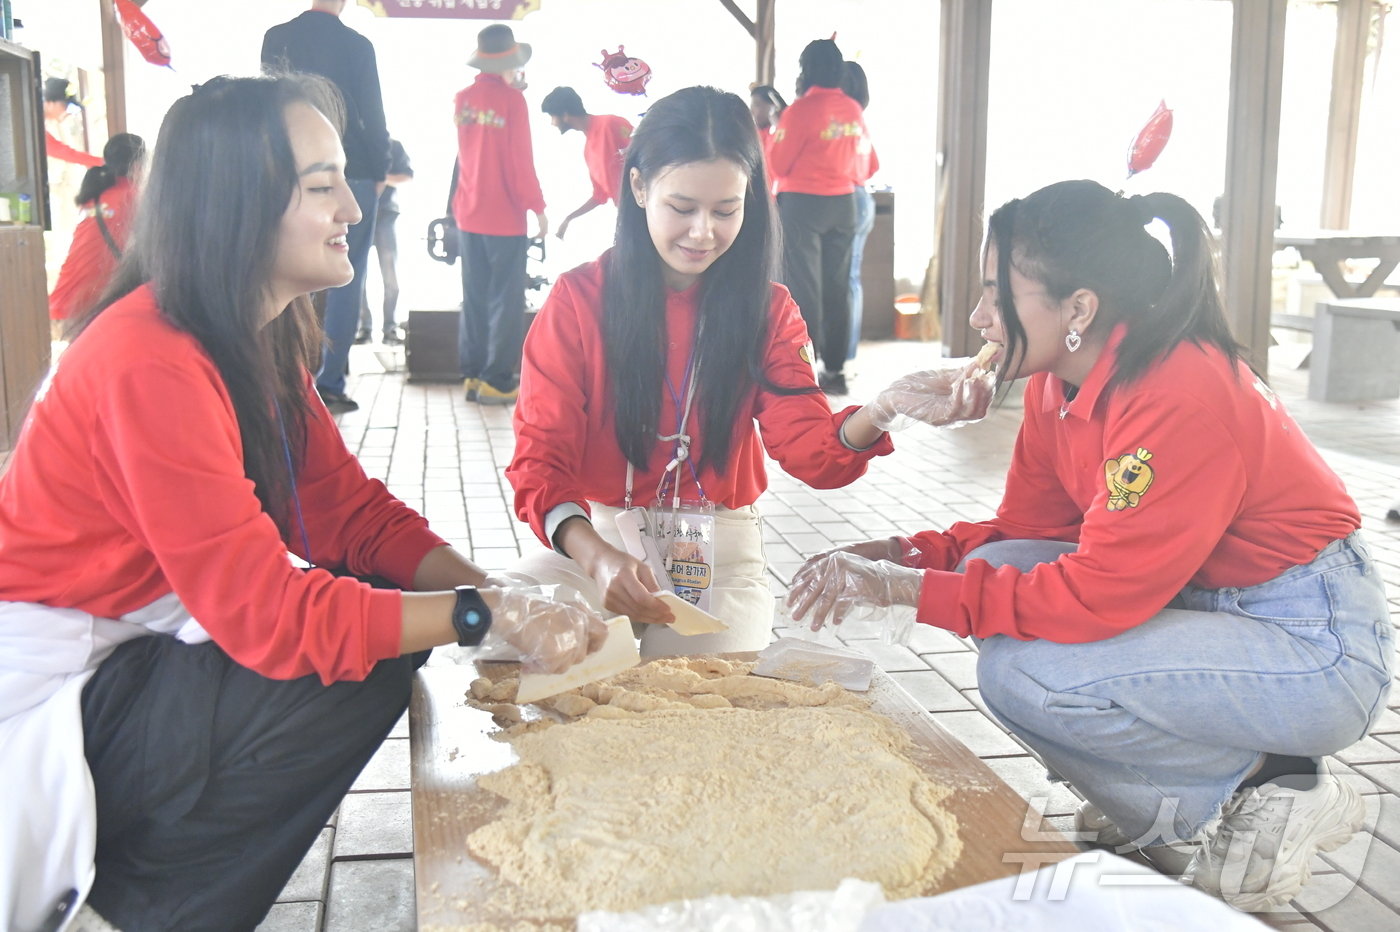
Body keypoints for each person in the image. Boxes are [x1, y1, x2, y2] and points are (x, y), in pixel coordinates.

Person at [0, 73, 606, 932]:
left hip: (139, 644)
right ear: (237, 204)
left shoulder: (255, 332)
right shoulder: (147, 357)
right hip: (60, 687)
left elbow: (346, 511)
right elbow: (269, 617)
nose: (353, 210)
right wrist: (477, 613)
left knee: (380, 623)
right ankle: (132, 911)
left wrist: (502, 604)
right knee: (348, 654)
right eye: (322, 186)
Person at [787, 179, 1393, 912]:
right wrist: (904, 555)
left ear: (1078, 309)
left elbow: (1098, 594)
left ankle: (1276, 784)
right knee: (994, 573)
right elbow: (1028, 537)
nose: (979, 318)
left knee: (1029, 676)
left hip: (1310, 644)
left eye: (992, 293)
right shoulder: (1059, 384)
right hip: (1206, 606)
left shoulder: (1178, 394)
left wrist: (902, 592)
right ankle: (1162, 813)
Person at [505, 85, 994, 659]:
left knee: (703, 688)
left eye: (726, 210)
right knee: (516, 628)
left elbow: (812, 453)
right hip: (598, 538)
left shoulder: (770, 311)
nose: (702, 232)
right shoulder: (578, 300)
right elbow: (539, 461)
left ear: (751, 201)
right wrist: (597, 555)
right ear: (638, 187)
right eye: (682, 208)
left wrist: (884, 408)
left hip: (718, 548)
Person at [262, 0, 392, 413]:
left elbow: (266, 111)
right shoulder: (357, 46)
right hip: (350, 172)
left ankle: (282, 380)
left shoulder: (276, 37)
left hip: (288, 173)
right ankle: (330, 384)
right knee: (345, 278)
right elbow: (373, 114)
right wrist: (379, 173)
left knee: (281, 273)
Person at [769, 38, 878, 397]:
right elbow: (871, 165)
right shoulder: (852, 110)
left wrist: (775, 127)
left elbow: (777, 164)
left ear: (805, 69)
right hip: (844, 203)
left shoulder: (799, 110)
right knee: (838, 287)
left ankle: (803, 367)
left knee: (805, 288)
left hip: (803, 204)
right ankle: (835, 370)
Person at [453, 23, 548, 406]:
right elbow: (518, 161)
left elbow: (472, 153)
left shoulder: (462, 99)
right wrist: (538, 207)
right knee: (506, 300)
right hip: (504, 216)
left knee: (474, 297)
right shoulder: (513, 101)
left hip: (468, 211)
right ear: (510, 60)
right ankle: (498, 378)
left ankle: (473, 375)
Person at [48, 133, 145, 328]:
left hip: (68, 300)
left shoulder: (97, 196)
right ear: (136, 166)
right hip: (95, 304)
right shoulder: (133, 197)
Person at [539, 86, 633, 241]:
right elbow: (600, 195)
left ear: (565, 114)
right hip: (629, 221)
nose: (552, 123)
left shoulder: (609, 123)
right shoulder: (588, 151)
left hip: (651, 209)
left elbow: (646, 152)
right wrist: (569, 218)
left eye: (552, 116)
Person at [356, 137, 413, 345]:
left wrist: (380, 178)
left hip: (386, 216)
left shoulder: (394, 146)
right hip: (359, 216)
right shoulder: (357, 145)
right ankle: (365, 327)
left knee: (390, 276)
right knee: (357, 276)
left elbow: (407, 176)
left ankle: (390, 327)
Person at [842, 61, 875, 363]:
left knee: (843, 281)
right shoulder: (859, 119)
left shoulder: (839, 116)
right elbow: (874, 163)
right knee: (851, 279)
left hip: (846, 199)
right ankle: (848, 355)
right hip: (863, 197)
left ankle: (842, 356)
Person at [42, 77, 102, 169]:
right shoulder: (32, 125)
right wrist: (104, 163)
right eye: (66, 106)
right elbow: (63, 152)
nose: (69, 112)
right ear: (50, 103)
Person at [748, 83, 786, 167]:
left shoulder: (783, 132)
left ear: (773, 107)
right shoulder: (754, 134)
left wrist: (778, 126)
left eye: (757, 105)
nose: (751, 111)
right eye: (751, 106)